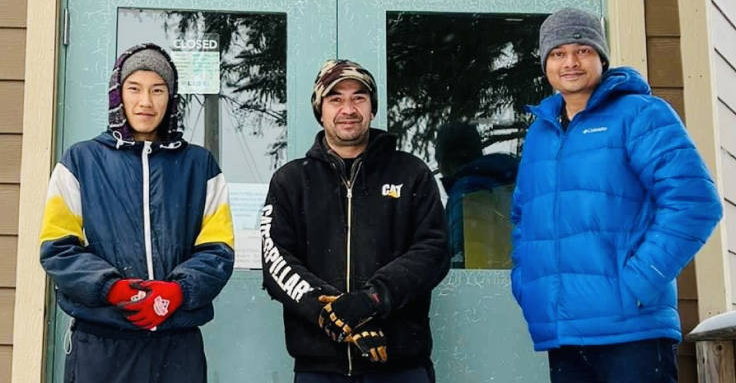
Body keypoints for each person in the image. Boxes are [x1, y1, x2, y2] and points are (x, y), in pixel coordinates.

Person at [510, 8, 723, 383]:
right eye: (558, 53)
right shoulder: (540, 133)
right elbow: (523, 217)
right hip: (563, 331)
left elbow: (694, 203)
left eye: (582, 50)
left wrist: (640, 280)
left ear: (601, 57)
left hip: (632, 331)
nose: (570, 62)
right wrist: (526, 283)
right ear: (545, 63)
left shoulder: (641, 115)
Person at [39, 42, 235, 383]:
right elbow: (57, 247)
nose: (146, 102)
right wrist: (112, 288)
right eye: (135, 89)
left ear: (171, 98)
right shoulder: (80, 161)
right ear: (119, 95)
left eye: (158, 90)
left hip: (177, 346)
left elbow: (218, 250)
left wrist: (178, 291)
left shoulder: (199, 166)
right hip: (101, 345)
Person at [260, 59, 450, 382]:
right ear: (320, 111)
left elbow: (433, 252)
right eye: (336, 99)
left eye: (359, 98)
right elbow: (276, 262)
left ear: (372, 109)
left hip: (400, 365)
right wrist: (332, 314)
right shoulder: (290, 182)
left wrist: (370, 301)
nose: (348, 108)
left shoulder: (411, 174)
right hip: (318, 368)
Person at [435, 121, 517, 268]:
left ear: (444, 162)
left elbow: (465, 258)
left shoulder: (467, 192)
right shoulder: (510, 185)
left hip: (485, 287)